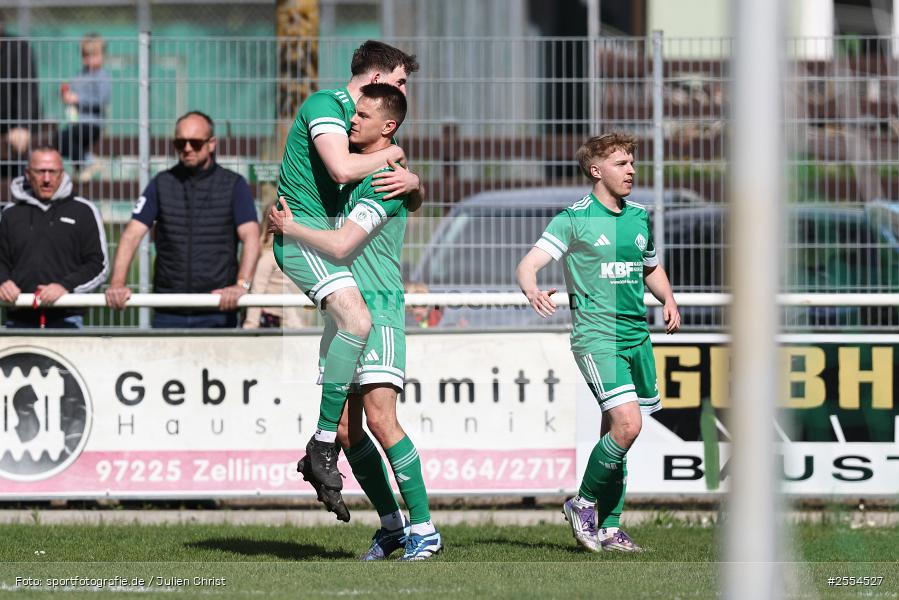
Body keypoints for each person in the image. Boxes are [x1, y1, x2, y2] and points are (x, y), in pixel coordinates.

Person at [270, 84, 442, 560]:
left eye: (363, 115)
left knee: (384, 422)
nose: (352, 120)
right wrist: (418, 184)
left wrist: (291, 229)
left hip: (378, 310)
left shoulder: (384, 176)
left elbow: (344, 245)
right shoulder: (354, 171)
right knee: (348, 431)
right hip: (346, 313)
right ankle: (391, 526)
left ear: (388, 126)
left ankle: (424, 527)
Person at [515, 132, 680, 553]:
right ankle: (583, 504)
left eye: (631, 163)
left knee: (617, 433)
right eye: (622, 163)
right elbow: (529, 264)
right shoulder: (574, 219)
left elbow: (650, 268)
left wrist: (669, 299)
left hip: (635, 337)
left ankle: (609, 527)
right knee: (628, 424)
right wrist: (532, 288)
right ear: (596, 170)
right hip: (596, 335)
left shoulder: (639, 216)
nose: (632, 171)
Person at [105, 111, 260, 328]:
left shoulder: (234, 185)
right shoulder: (161, 183)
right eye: (180, 143)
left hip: (217, 308)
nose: (187, 148)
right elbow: (132, 234)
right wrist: (117, 283)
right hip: (168, 308)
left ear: (211, 144)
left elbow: (252, 237)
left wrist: (241, 285)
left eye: (195, 143)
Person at [0, 147, 108, 328]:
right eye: (40, 172)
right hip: (18, 319)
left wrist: (65, 287)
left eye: (53, 172)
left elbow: (98, 264)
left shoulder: (83, 211)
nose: (47, 179)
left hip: (68, 319)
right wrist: (2, 281)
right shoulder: (10, 214)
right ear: (27, 174)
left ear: (62, 173)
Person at [242, 197, 313, 330]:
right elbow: (258, 293)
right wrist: (250, 327)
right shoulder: (270, 259)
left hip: (292, 324)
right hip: (275, 323)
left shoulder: (296, 256)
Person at [57, 33, 111, 173]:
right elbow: (73, 95)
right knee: (60, 140)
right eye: (85, 55)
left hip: (92, 124)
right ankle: (84, 165)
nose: (89, 59)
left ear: (102, 55)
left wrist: (78, 99)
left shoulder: (102, 76)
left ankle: (87, 161)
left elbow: (101, 99)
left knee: (65, 137)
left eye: (93, 55)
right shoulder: (79, 75)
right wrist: (66, 94)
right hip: (76, 122)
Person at [0, 18, 40, 183]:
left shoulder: (18, 47)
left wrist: (23, 126)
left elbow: (27, 89)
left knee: (17, 181)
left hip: (13, 127)